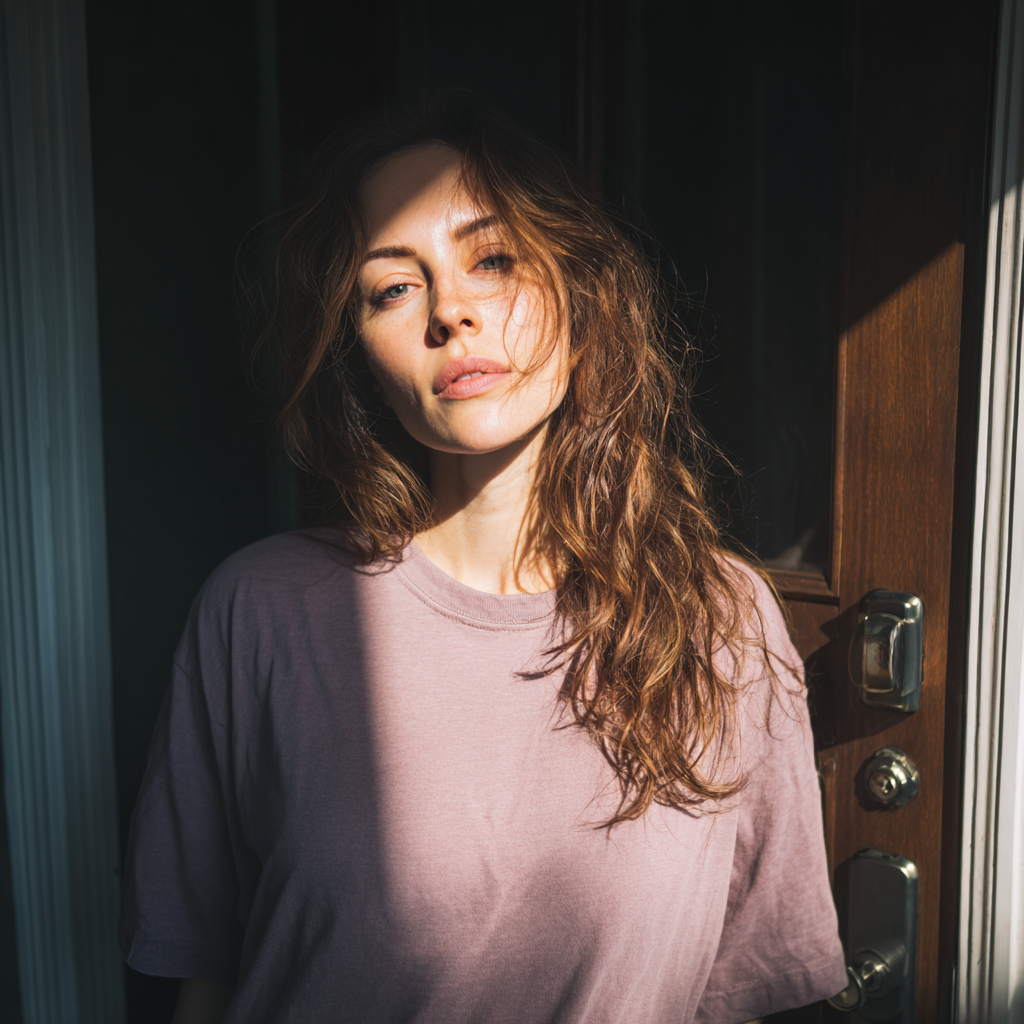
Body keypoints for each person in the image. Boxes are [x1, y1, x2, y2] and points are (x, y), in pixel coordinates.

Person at [119, 94, 846, 1024]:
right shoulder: (261, 611)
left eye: (492, 259)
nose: (452, 312)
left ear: (581, 290)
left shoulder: (720, 619)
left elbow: (748, 993)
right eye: (394, 287)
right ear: (359, 353)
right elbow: (205, 978)